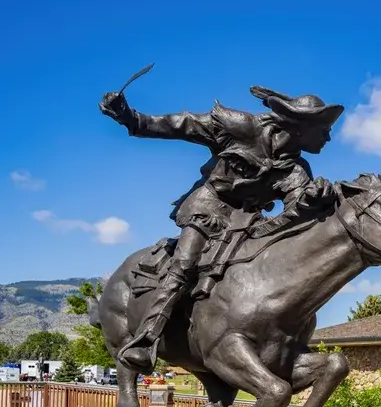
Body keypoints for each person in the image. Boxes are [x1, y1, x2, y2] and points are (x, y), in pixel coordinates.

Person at [98, 85, 344, 372]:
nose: (328, 136)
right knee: (185, 262)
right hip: (209, 208)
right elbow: (182, 125)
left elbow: (295, 215)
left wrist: (316, 201)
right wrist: (131, 118)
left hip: (246, 224)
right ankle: (146, 338)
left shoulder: (296, 171)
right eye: (324, 128)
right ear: (301, 127)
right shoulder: (241, 128)